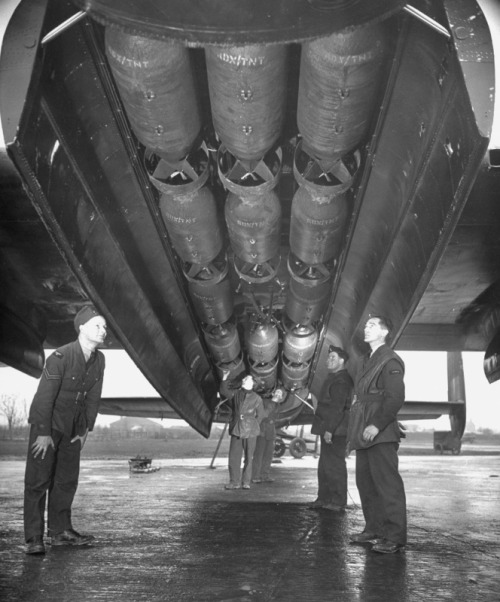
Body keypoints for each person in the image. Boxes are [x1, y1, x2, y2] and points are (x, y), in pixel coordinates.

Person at [24, 304, 107, 555]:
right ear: (81, 327)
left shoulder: (99, 359)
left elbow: (94, 396)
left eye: (104, 327)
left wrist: (86, 430)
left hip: (74, 429)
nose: (103, 331)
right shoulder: (60, 356)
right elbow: (43, 397)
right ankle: (34, 538)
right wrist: (43, 432)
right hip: (48, 427)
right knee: (38, 482)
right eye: (97, 325)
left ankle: (60, 532)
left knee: (66, 481)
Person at [348, 315, 407, 554]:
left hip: (378, 432)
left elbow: (395, 398)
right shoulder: (367, 359)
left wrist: (377, 425)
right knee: (366, 483)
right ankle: (374, 528)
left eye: (372, 325)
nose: (366, 328)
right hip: (364, 429)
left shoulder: (390, 360)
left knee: (387, 485)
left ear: (384, 333)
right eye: (366, 325)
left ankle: (394, 536)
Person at [310, 345, 353, 511]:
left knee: (334, 465)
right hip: (329, 428)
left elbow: (338, 407)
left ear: (342, 361)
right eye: (328, 358)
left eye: (332, 358)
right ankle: (324, 498)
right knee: (325, 465)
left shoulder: (341, 380)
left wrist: (330, 430)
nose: (328, 360)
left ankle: (338, 501)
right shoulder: (334, 377)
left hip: (335, 430)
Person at [218, 371, 264, 490]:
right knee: (234, 456)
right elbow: (223, 391)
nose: (243, 380)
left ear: (253, 383)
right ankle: (234, 482)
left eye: (246, 379)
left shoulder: (257, 398)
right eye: (244, 379)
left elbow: (261, 415)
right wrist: (224, 378)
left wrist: (253, 426)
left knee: (249, 458)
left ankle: (246, 482)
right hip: (237, 428)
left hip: (250, 431)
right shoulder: (236, 394)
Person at [252, 387, 285, 484]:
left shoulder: (278, 405)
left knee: (268, 455)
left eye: (280, 394)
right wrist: (272, 402)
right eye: (277, 393)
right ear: (273, 393)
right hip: (262, 431)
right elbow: (264, 415)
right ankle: (255, 476)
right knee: (259, 455)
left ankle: (265, 475)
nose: (278, 395)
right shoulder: (265, 402)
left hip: (271, 433)